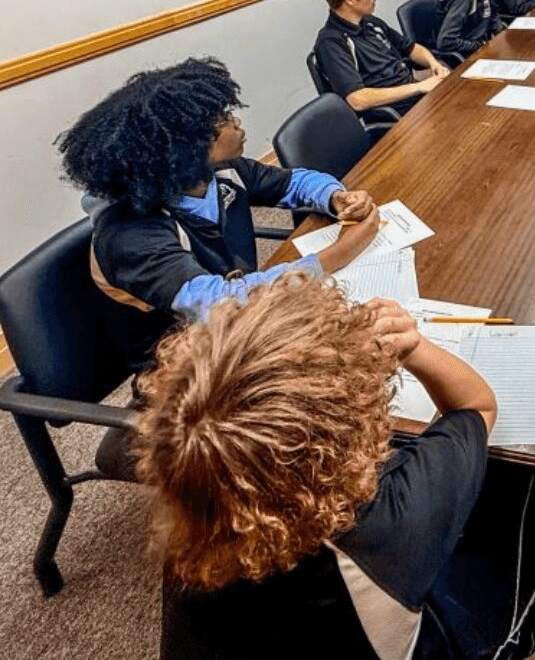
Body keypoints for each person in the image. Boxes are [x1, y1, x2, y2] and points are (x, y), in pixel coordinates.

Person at [135, 275, 501, 658]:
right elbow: (475, 406)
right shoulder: (391, 523)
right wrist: (413, 347)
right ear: (349, 430)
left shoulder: (195, 504)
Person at [56, 57, 380, 323]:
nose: (236, 123)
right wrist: (334, 256)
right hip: (187, 364)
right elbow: (221, 304)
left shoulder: (223, 172)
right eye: (223, 119)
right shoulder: (132, 234)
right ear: (187, 147)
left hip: (253, 321)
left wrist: (335, 197)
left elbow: (294, 182)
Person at [314, 0, 449, 119]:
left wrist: (433, 63)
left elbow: (411, 48)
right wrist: (419, 87)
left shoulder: (371, 22)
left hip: (416, 97)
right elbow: (357, 99)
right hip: (396, 115)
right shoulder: (331, 42)